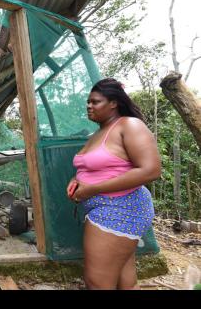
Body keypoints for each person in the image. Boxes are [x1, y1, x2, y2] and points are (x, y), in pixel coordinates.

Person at [66, 78, 161, 290]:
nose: (89, 106)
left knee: (97, 282)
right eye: (88, 102)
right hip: (105, 207)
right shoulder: (98, 133)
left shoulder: (129, 125)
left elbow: (151, 170)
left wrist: (92, 188)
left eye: (95, 101)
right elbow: (94, 169)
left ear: (113, 103)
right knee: (124, 280)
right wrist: (76, 180)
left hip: (120, 208)